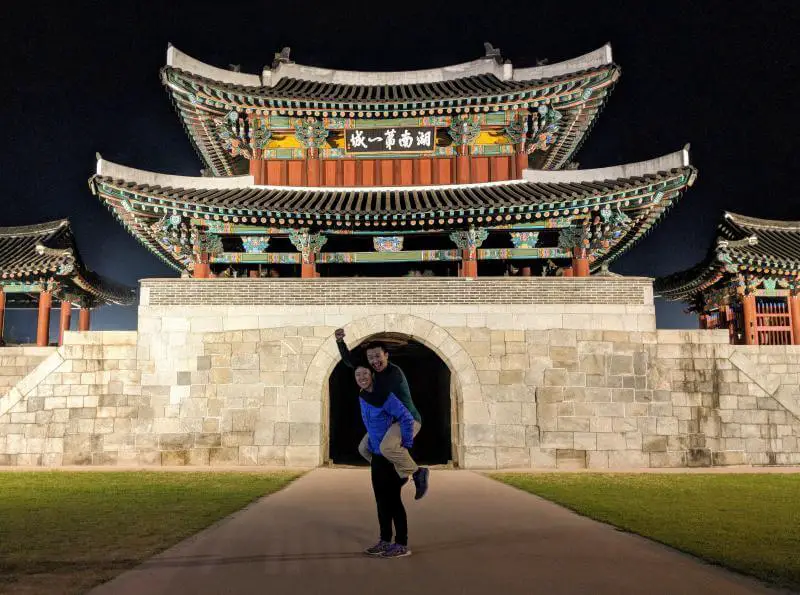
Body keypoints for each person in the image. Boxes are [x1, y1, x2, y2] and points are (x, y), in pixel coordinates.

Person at [335, 328, 430, 499]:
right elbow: (352, 363)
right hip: (388, 421)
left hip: (407, 420)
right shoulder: (374, 371)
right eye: (370, 358)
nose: (374, 361)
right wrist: (340, 342)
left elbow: (382, 399)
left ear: (386, 355)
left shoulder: (393, 374)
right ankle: (396, 470)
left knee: (386, 447)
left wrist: (364, 384)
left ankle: (418, 472)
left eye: (378, 356)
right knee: (364, 448)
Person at [355, 365, 413, 558]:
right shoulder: (362, 397)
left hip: (389, 458)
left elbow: (406, 417)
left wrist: (406, 442)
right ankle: (385, 540)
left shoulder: (386, 397)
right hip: (377, 457)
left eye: (365, 373)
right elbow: (370, 425)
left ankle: (402, 544)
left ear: (372, 375)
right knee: (381, 501)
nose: (361, 377)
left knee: (394, 500)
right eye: (357, 375)